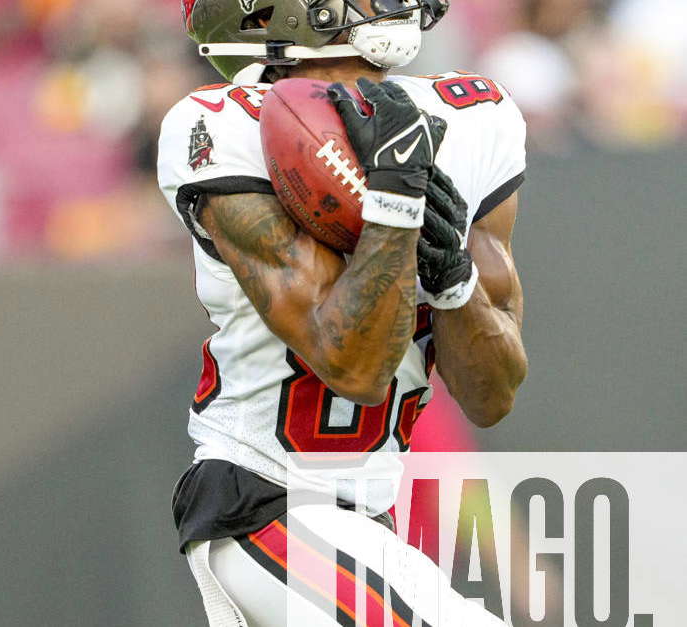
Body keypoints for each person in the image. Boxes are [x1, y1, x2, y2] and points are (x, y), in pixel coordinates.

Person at [157, 1, 528, 624]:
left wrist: (452, 280)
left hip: (369, 518)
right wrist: (394, 210)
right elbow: (352, 367)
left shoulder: (475, 116)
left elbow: (493, 397)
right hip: (266, 501)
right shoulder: (221, 127)